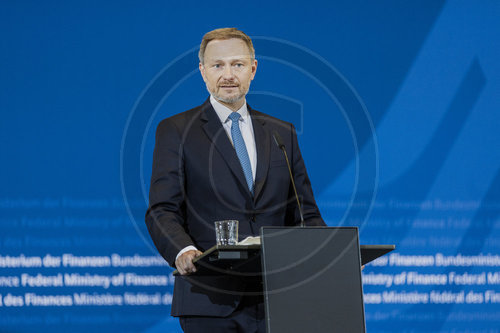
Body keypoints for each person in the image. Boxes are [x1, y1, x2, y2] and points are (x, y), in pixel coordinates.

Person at [145, 27, 325, 333]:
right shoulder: (176, 130)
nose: (228, 74)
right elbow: (162, 210)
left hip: (278, 300)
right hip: (211, 299)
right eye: (218, 65)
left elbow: (304, 214)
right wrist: (183, 251)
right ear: (202, 71)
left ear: (253, 69)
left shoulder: (282, 133)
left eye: (237, 65)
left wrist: (333, 255)